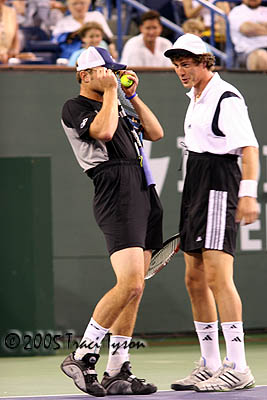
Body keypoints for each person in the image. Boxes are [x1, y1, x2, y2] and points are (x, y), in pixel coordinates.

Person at [60, 46, 164, 396]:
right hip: (114, 187)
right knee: (131, 284)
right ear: (86, 74)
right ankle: (83, 355)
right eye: (107, 71)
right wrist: (109, 93)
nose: (114, 76)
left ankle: (118, 370)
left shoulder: (116, 101)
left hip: (143, 188)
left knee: (136, 290)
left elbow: (156, 132)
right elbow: (103, 133)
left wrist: (131, 95)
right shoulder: (77, 107)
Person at [164, 33, 259, 392]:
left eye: (186, 64)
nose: (180, 71)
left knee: (219, 277)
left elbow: (250, 149)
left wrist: (248, 196)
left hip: (221, 184)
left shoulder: (226, 96)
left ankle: (239, 366)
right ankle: (211, 362)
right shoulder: (195, 98)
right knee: (195, 278)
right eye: (176, 65)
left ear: (206, 62)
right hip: (196, 186)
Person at [52, 0, 117, 59]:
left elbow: (108, 37)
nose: (79, 6)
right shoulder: (62, 22)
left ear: (88, 4)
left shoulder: (97, 15)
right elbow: (56, 41)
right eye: (75, 4)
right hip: (72, 56)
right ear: (69, 6)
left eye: (82, 3)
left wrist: (112, 48)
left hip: (99, 54)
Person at [228, 0, 267, 70]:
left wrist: (256, 25)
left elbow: (253, 28)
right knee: (262, 57)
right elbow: (247, 29)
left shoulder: (265, 10)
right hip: (248, 51)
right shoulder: (237, 11)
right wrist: (264, 25)